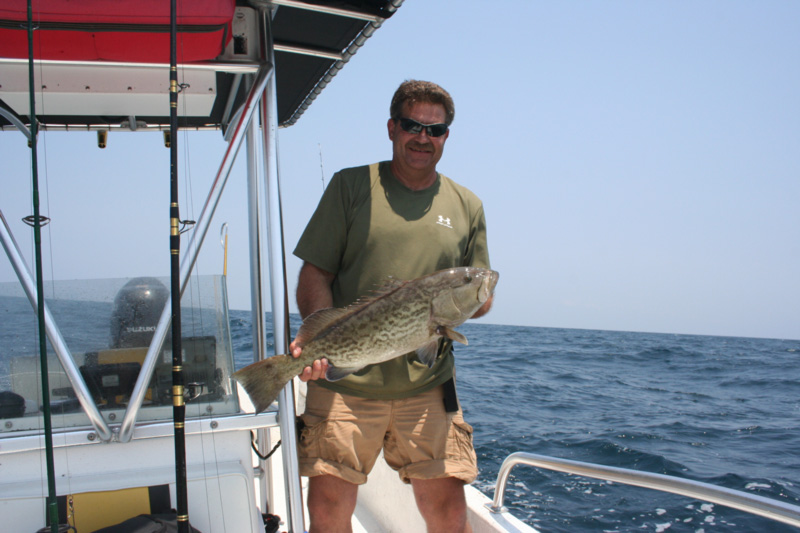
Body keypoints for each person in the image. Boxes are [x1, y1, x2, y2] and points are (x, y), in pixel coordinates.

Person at [290, 79, 493, 533]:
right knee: (327, 505)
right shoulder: (351, 186)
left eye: (435, 130)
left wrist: (472, 302)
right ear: (391, 128)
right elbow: (314, 273)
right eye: (411, 125)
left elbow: (481, 289)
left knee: (447, 507)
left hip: (427, 384)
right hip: (345, 387)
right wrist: (317, 343)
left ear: (446, 137)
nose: (423, 138)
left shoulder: (468, 205)